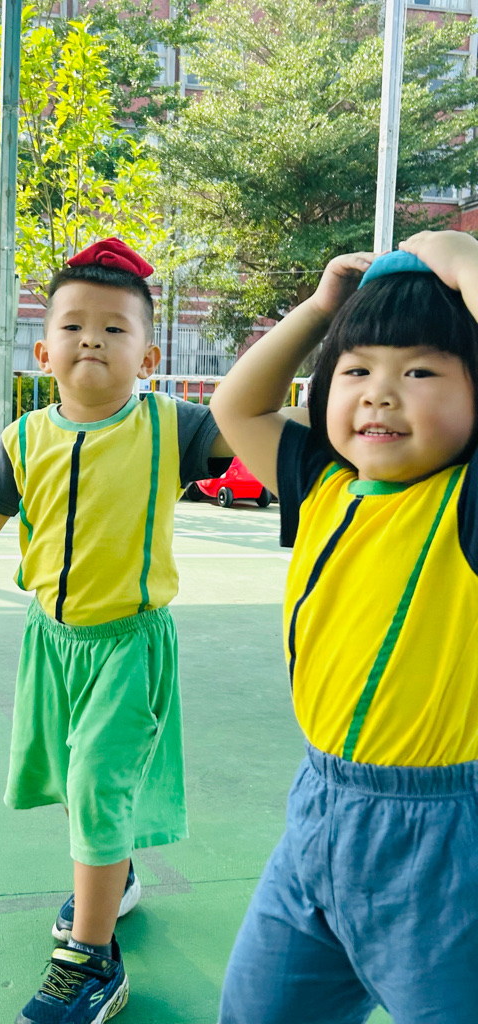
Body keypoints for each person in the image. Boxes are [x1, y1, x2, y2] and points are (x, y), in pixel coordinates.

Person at [0, 238, 236, 1024]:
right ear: (44, 352)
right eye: (73, 325)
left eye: (115, 328)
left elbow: (254, 424)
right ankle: (116, 876)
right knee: (77, 781)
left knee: (98, 783)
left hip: (127, 647)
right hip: (51, 642)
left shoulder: (172, 427)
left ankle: (90, 963)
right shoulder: (23, 439)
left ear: (149, 357)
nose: (91, 340)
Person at [209, 228, 478, 1024]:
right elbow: (236, 405)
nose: (379, 393)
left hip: (447, 842)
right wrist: (320, 311)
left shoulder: (465, 505)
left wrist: (462, 261)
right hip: (318, 815)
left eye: (420, 371)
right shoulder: (324, 486)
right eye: (356, 370)